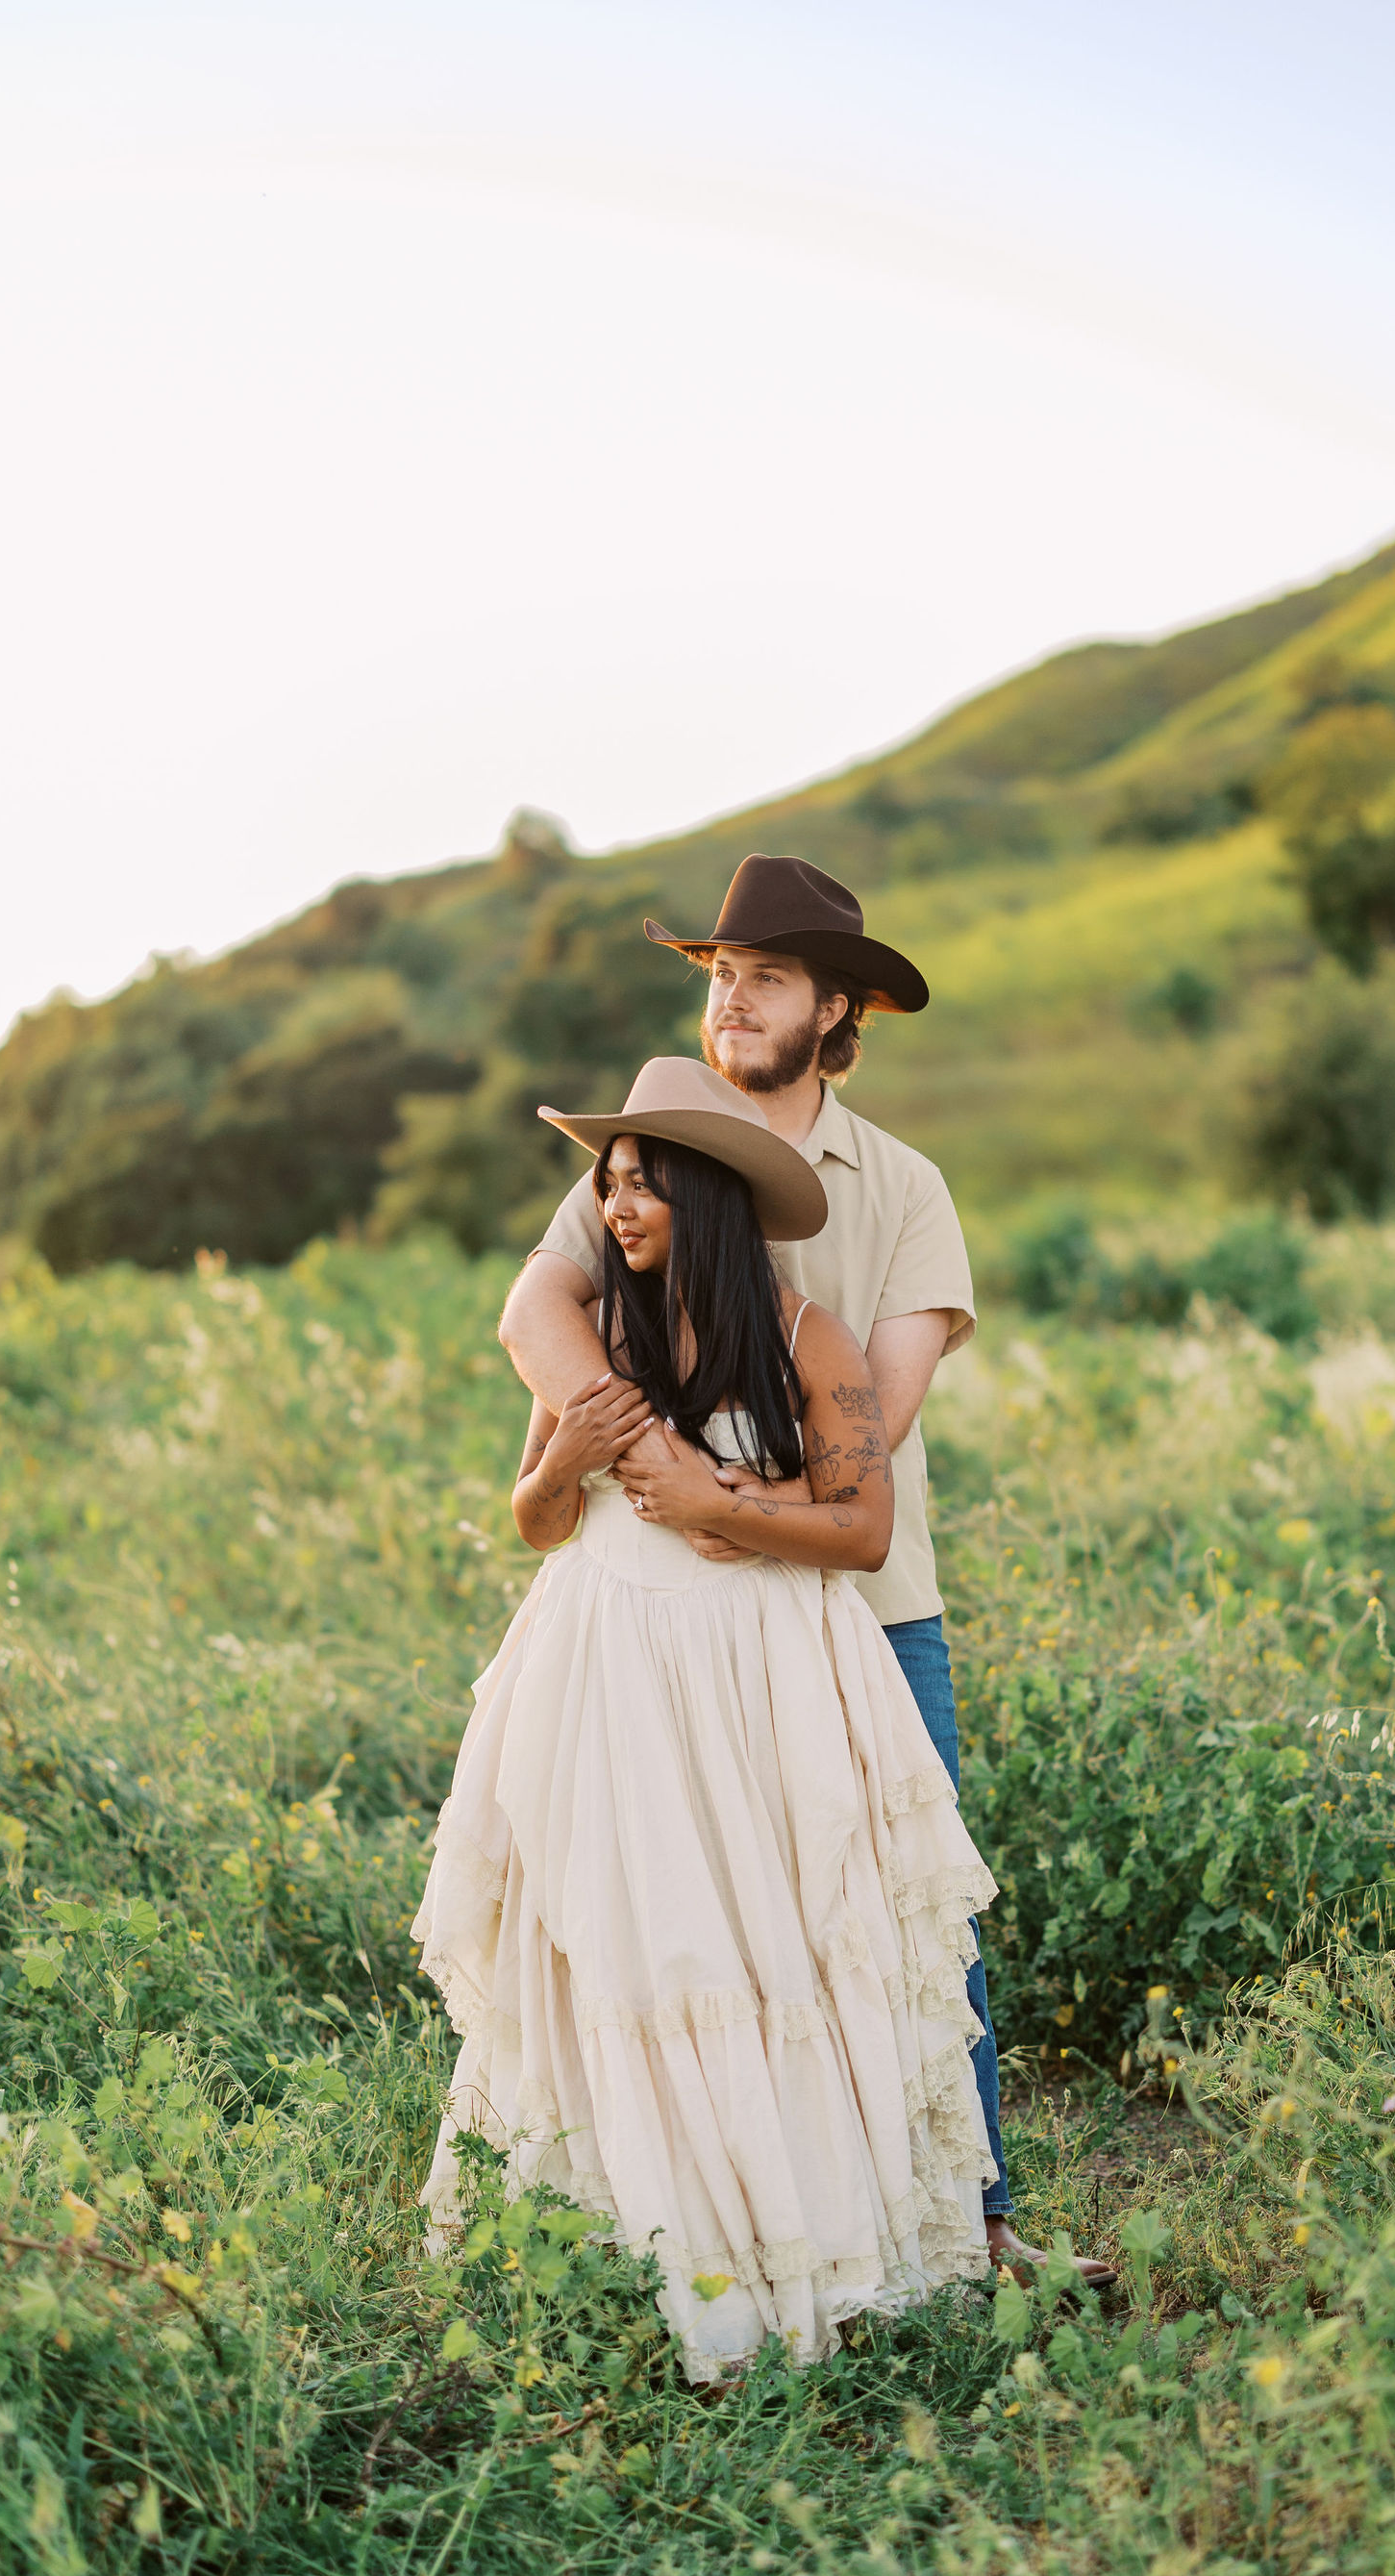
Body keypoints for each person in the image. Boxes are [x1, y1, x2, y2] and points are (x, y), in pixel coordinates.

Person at [498, 853, 1113, 2289]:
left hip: (864, 1604)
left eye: (766, 978)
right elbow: (539, 1313)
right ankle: (734, 2222)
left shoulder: (903, 1187)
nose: (732, 999)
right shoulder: (649, 1149)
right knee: (706, 1914)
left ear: (835, 1008)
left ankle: (975, 2223)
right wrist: (646, 1461)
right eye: (721, 974)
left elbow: (877, 1419)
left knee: (905, 1901)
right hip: (667, 1621)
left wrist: (721, 1496)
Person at [412, 1057, 1002, 2382]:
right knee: (631, 1935)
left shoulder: (807, 1341)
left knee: (768, 1933)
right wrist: (567, 1459)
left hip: (757, 1671)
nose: (615, 1209)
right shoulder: (598, 1339)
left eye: (644, 1186)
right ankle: (639, 2237)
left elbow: (863, 1527)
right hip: (608, 1667)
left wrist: (719, 1503)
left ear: (713, 1199)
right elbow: (534, 1519)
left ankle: (805, 2239)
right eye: (609, 1184)